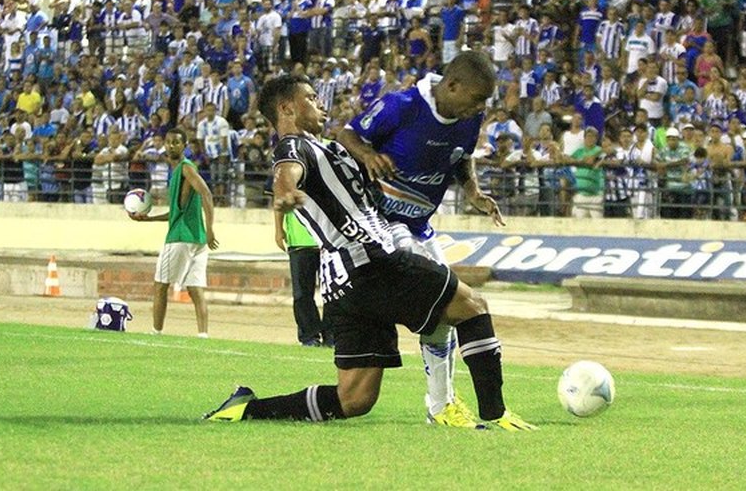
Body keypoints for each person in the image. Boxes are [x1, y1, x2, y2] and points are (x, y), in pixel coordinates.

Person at [204, 75, 535, 432]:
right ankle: (495, 415)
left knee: (354, 399)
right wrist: (284, 192)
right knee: (473, 308)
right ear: (287, 108)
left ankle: (245, 409)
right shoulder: (296, 147)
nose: (321, 105)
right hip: (372, 261)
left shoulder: (329, 148)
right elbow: (286, 172)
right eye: (312, 99)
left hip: (343, 286)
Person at [336, 51, 503, 429]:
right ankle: (441, 404)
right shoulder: (402, 106)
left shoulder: (469, 117)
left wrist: (473, 192)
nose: (481, 108)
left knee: (445, 317)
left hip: (420, 227)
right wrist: (367, 154)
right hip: (382, 225)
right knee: (441, 303)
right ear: (452, 85)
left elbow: (462, 158)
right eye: (477, 98)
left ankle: (440, 406)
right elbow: (347, 134)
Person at [129, 128, 219, 337]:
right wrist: (149, 219)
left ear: (184, 146)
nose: (171, 146)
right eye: (169, 142)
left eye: (176, 142)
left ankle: (156, 331)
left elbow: (206, 193)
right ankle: (203, 335)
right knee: (195, 289)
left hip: (180, 237)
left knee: (160, 284)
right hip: (197, 239)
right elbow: (177, 212)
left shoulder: (186, 169)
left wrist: (211, 228)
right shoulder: (180, 171)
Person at [274, 209, 332, 347]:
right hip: (299, 242)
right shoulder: (289, 186)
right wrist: (278, 230)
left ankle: (332, 336)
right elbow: (279, 200)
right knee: (301, 294)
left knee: (333, 293)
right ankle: (309, 336)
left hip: (328, 242)